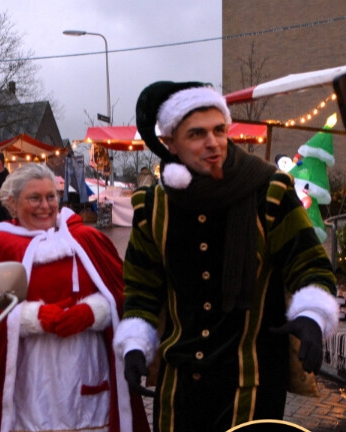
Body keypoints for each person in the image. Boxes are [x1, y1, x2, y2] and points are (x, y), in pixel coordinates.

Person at [112, 81, 339, 431]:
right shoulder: (153, 208)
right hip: (181, 384)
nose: (213, 142)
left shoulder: (270, 191)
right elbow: (142, 287)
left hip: (252, 380)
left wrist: (311, 314)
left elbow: (308, 263)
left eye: (219, 129)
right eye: (197, 134)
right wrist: (135, 345)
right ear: (170, 143)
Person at [0, 163, 150, 432]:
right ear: (12, 202)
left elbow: (121, 293)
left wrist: (92, 312)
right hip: (29, 375)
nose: (45, 206)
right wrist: (34, 317)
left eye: (51, 196)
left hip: (86, 364)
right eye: (35, 198)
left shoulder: (87, 238)